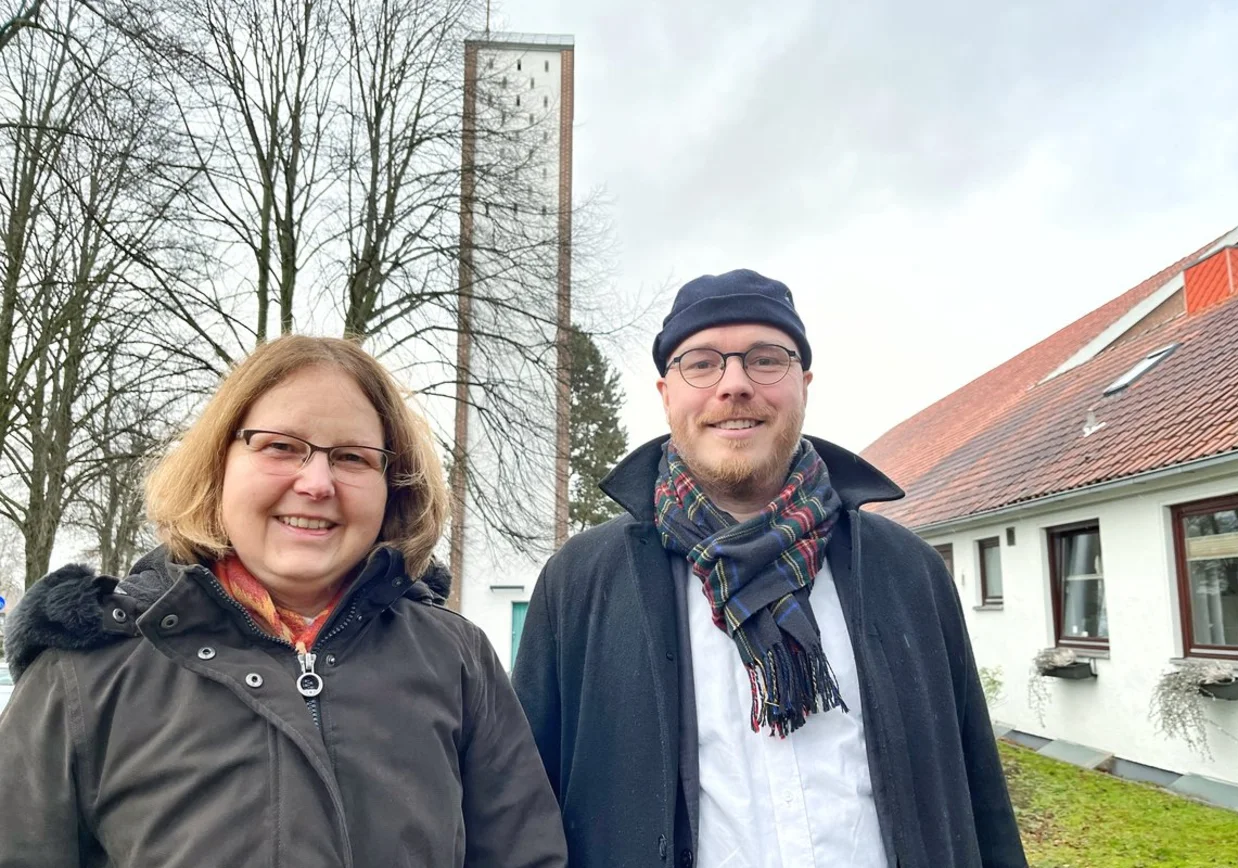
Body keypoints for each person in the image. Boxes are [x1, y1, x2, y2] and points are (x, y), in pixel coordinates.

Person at [512, 270, 1027, 868]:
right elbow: (525, 812)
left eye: (766, 360)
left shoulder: (909, 572)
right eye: (701, 363)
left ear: (803, 385)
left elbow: (980, 797)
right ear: (666, 394)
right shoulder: (580, 584)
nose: (734, 385)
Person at [0, 335, 566, 868]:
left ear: (392, 485)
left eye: (352, 457)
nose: (317, 483)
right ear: (218, 463)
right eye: (280, 447)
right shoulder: (87, 672)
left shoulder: (456, 659)